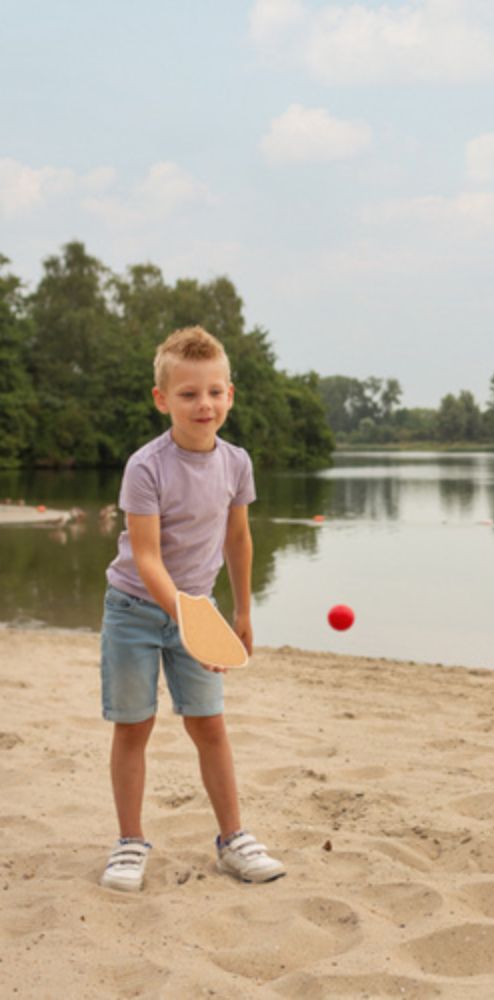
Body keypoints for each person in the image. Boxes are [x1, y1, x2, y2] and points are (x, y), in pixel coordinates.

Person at [99, 326, 284, 892]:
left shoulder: (236, 463)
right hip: (135, 610)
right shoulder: (146, 466)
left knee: (210, 726)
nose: (203, 405)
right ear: (162, 399)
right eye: (188, 394)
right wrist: (188, 618)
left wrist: (242, 612)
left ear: (230, 393)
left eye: (214, 392)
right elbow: (148, 558)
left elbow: (239, 539)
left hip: (198, 610)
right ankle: (130, 842)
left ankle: (233, 839)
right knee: (135, 727)